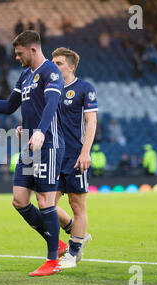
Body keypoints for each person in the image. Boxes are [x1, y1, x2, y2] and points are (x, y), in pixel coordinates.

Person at [0, 30, 65, 277]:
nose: (16, 57)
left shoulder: (50, 72)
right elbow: (10, 106)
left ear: (33, 49)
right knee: (20, 200)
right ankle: (59, 243)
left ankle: (52, 260)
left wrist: (41, 131)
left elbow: (52, 104)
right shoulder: (24, 76)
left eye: (19, 53)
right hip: (30, 147)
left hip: (49, 143)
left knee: (44, 201)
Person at [48, 47, 97, 268]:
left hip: (75, 156)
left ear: (71, 67)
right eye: (52, 62)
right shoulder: (48, 89)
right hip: (53, 156)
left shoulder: (84, 88)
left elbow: (91, 122)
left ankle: (73, 252)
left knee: (77, 205)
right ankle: (77, 234)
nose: (54, 66)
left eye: (59, 63)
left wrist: (85, 151)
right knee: (45, 204)